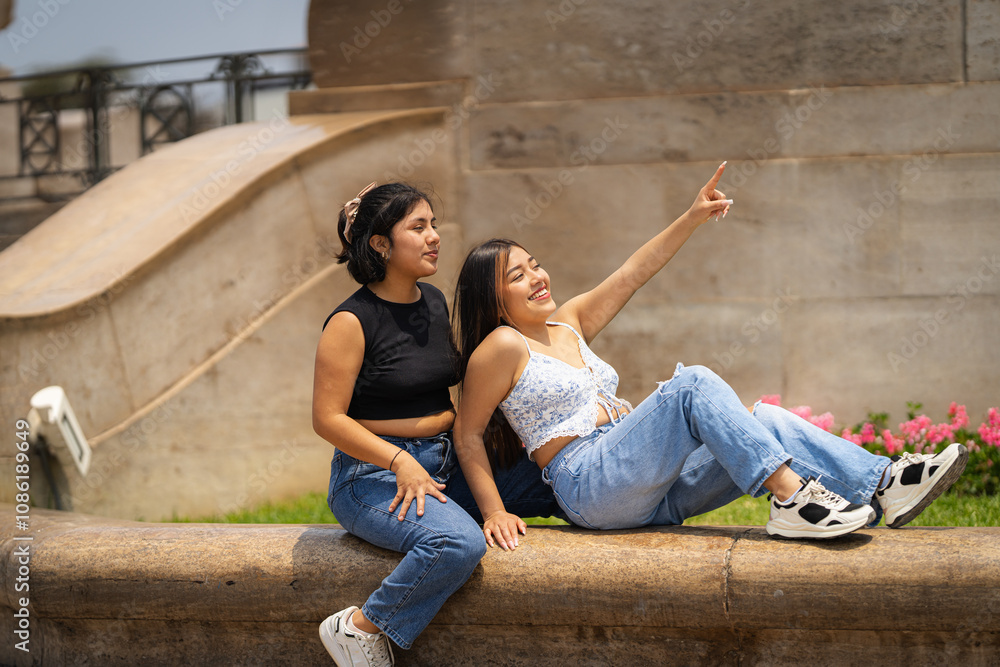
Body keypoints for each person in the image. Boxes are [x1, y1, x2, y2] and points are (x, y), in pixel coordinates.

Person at [453, 162, 968, 548]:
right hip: (590, 483)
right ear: (491, 298)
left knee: (763, 419)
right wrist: (493, 511)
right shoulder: (503, 346)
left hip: (649, 484)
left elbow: (633, 273)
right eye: (517, 275)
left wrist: (691, 218)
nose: (537, 277)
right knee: (692, 385)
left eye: (535, 264)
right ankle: (792, 499)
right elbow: (468, 433)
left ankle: (884, 484)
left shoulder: (569, 321)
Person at [312, 182, 562, 667]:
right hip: (374, 476)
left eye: (433, 224)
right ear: (381, 244)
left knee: (561, 479)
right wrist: (399, 462)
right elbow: (327, 419)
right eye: (418, 227)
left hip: (446, 464)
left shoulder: (431, 300)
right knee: (456, 542)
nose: (434, 236)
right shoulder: (350, 321)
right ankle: (359, 629)